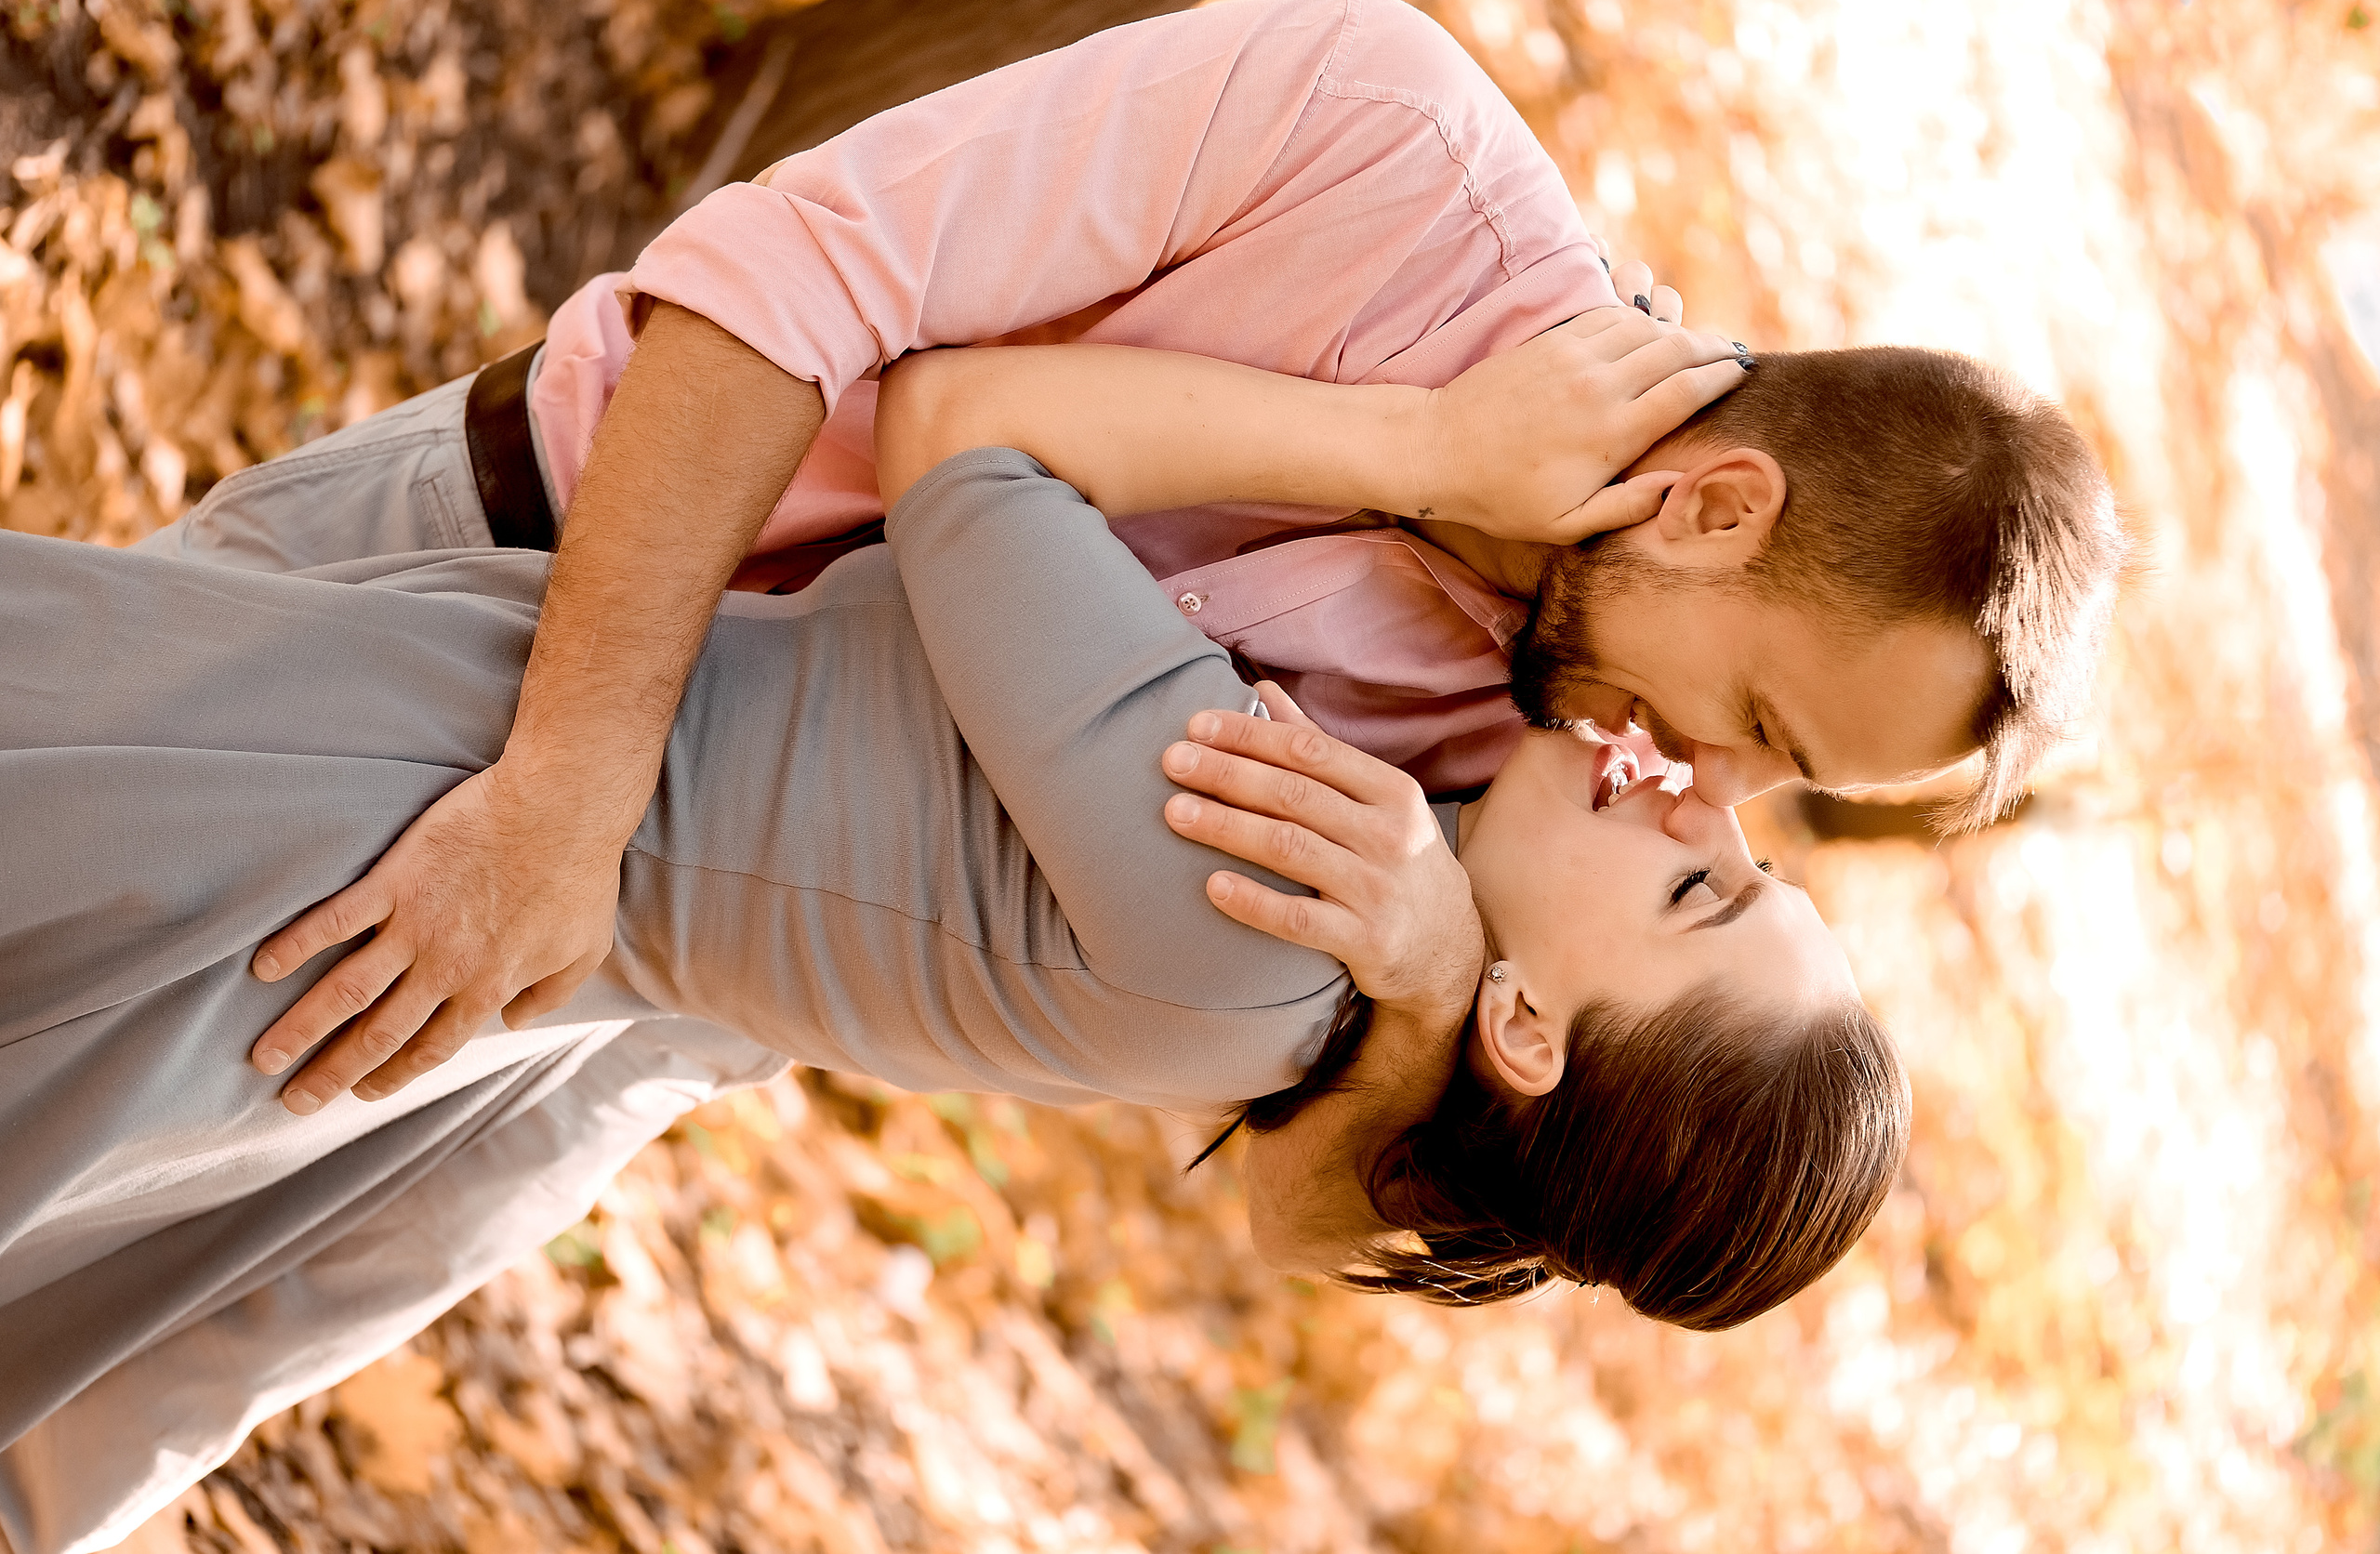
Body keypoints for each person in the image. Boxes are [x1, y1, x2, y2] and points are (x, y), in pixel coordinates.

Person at [127, 0, 2125, 1123]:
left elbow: (1317, 1197)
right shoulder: (1375, 133)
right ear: (1712, 504)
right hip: (506, 597)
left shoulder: (1533, 772)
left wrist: (1430, 993)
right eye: (1758, 717)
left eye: (1777, 784)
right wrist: (564, 785)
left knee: (157, 1368)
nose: (1705, 786)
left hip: (659, 995)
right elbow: (764, 299)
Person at [0, 399, 1905, 1554]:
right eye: (1747, 846)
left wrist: (1407, 451)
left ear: (1525, 1022)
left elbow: (970, 453)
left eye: (1706, 898)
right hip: (514, 835)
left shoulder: (1271, 890)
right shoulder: (1362, 940)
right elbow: (1307, 1209)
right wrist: (1422, 983)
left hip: (451, 818)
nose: (1710, 809)